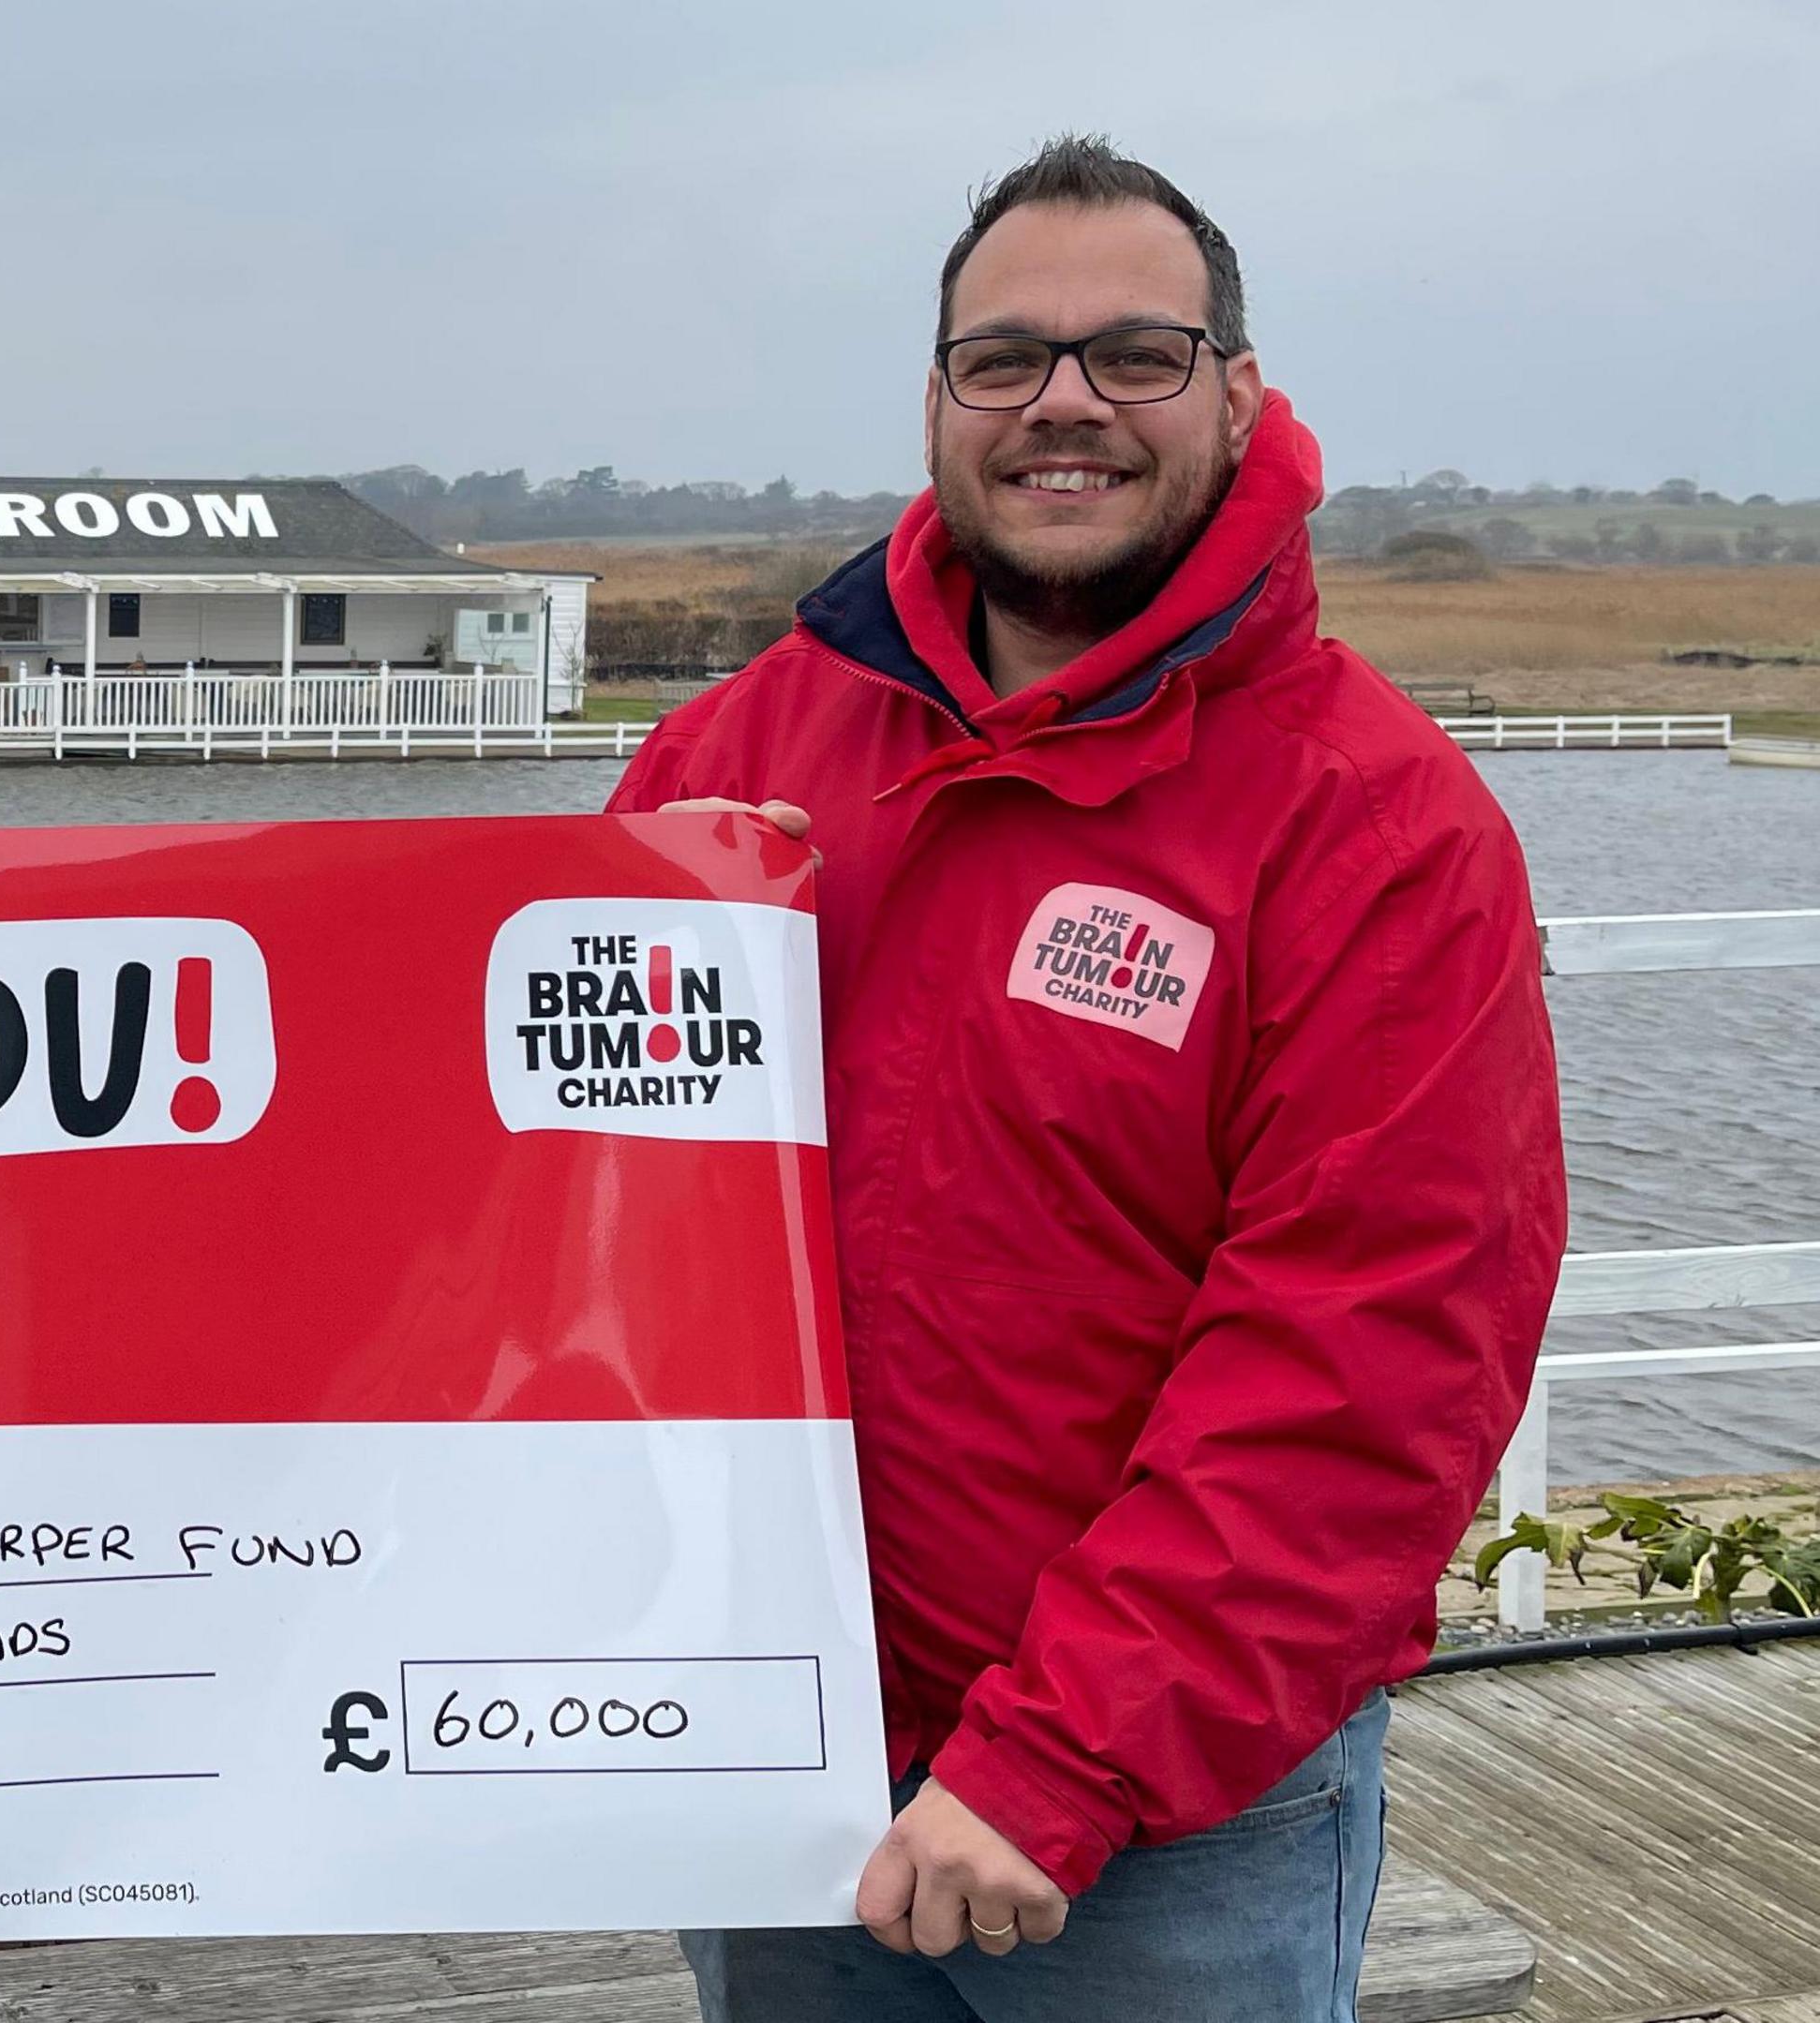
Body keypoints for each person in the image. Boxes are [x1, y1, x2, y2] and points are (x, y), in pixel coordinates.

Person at [611, 136, 1566, 2022]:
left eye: (1134, 353)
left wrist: (1062, 1761)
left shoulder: (1373, 828)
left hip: (1161, 1817)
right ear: (939, 404)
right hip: (777, 1748)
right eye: (1004, 359)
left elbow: (1367, 1362)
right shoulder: (737, 759)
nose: (1063, 403)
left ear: (1237, 395)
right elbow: (573, 1202)